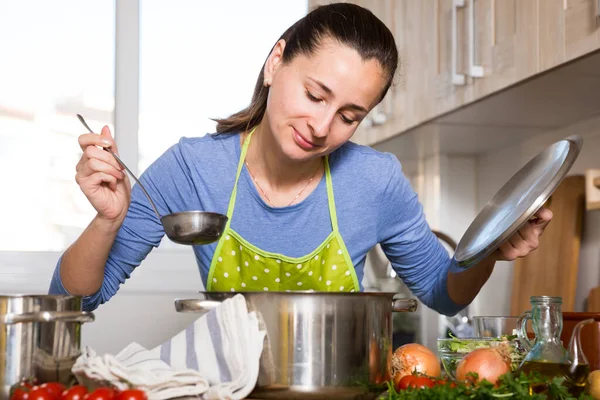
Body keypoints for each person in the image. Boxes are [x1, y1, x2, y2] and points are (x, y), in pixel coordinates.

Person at [49, 2, 552, 313]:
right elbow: (75, 299)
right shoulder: (191, 170)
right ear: (276, 63)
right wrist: (106, 221)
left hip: (343, 388)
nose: (321, 127)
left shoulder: (375, 182)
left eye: (349, 116)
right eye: (315, 94)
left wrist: (487, 249)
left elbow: (444, 296)